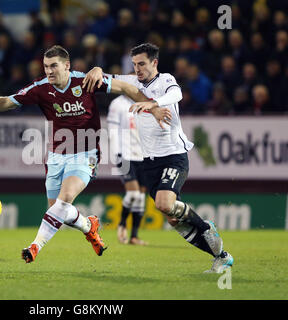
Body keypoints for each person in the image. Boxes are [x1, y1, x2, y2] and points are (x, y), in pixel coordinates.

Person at [0, 45, 171, 263]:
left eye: (54, 66)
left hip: (85, 154)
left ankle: (34, 246)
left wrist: (153, 107)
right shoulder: (41, 88)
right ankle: (89, 226)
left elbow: (126, 88)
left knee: (65, 200)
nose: (49, 71)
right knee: (57, 211)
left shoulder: (85, 81)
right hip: (55, 156)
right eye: (46, 67)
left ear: (67, 66)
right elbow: (8, 100)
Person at [83, 43, 233, 273]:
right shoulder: (132, 82)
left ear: (154, 62)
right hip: (149, 161)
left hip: (174, 156)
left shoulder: (165, 81)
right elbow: (106, 77)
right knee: (173, 218)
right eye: (134, 65)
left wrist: (153, 103)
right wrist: (95, 69)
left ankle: (205, 226)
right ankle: (220, 256)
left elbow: (177, 93)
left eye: (142, 64)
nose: (138, 69)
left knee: (164, 203)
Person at [107, 94, 148, 245]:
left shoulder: (144, 102)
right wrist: (116, 154)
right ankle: (122, 223)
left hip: (143, 155)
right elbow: (112, 130)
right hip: (125, 154)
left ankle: (134, 236)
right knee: (133, 193)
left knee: (141, 196)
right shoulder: (117, 104)